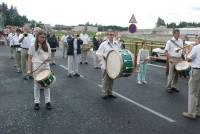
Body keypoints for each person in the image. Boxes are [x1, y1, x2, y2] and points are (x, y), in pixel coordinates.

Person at [27, 30, 52, 110]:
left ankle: (48, 102)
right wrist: (29, 69)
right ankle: (37, 102)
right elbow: (30, 58)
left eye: (44, 37)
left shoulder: (47, 45)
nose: (42, 39)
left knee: (46, 85)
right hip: (36, 67)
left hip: (45, 67)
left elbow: (50, 57)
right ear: (37, 37)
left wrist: (48, 60)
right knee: (36, 85)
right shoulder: (32, 46)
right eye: (41, 37)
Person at [96, 30, 121, 99]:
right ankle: (104, 93)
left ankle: (110, 92)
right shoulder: (103, 44)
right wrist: (103, 63)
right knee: (105, 79)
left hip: (113, 64)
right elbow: (98, 53)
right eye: (109, 34)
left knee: (112, 78)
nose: (111, 36)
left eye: (112, 35)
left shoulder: (116, 44)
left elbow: (119, 53)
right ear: (107, 35)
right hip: (106, 63)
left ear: (114, 36)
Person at [182, 35, 200, 119]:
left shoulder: (196, 48)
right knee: (198, 92)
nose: (196, 40)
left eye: (197, 38)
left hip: (196, 71)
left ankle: (191, 113)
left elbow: (188, 59)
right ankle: (198, 111)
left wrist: (186, 53)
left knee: (192, 92)